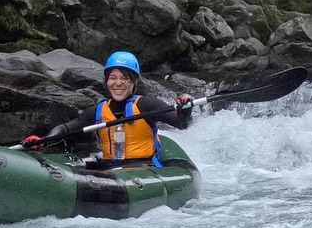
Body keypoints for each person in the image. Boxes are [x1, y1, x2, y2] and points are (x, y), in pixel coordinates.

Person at [20, 51, 193, 166]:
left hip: (145, 168)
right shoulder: (98, 111)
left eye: (124, 78)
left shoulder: (147, 105)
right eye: (113, 77)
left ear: (133, 82)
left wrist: (185, 110)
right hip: (111, 168)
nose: (118, 83)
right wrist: (43, 140)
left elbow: (181, 124)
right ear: (106, 81)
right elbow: (66, 129)